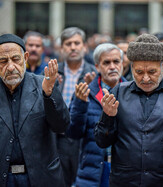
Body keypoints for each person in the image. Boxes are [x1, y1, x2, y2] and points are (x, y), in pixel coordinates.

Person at [0, 34, 70, 186]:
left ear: (25, 57)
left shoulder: (43, 85)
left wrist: (49, 95)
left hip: (39, 177)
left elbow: (61, 125)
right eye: (3, 61)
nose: (10, 67)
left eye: (16, 59)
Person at [94, 34, 163, 186]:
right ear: (132, 68)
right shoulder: (119, 92)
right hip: (126, 181)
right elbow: (101, 141)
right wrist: (108, 117)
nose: (145, 78)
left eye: (152, 72)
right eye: (139, 72)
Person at [66, 43, 126, 186]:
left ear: (122, 64)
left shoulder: (132, 92)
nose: (112, 67)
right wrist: (80, 104)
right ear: (97, 66)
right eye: (106, 62)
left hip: (125, 169)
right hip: (93, 169)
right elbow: (73, 133)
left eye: (116, 61)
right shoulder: (86, 92)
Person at [57, 27, 97, 187]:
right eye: (68, 43)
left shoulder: (93, 74)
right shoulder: (52, 73)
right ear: (62, 48)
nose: (73, 47)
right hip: (57, 139)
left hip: (83, 139)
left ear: (84, 47)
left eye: (76, 43)